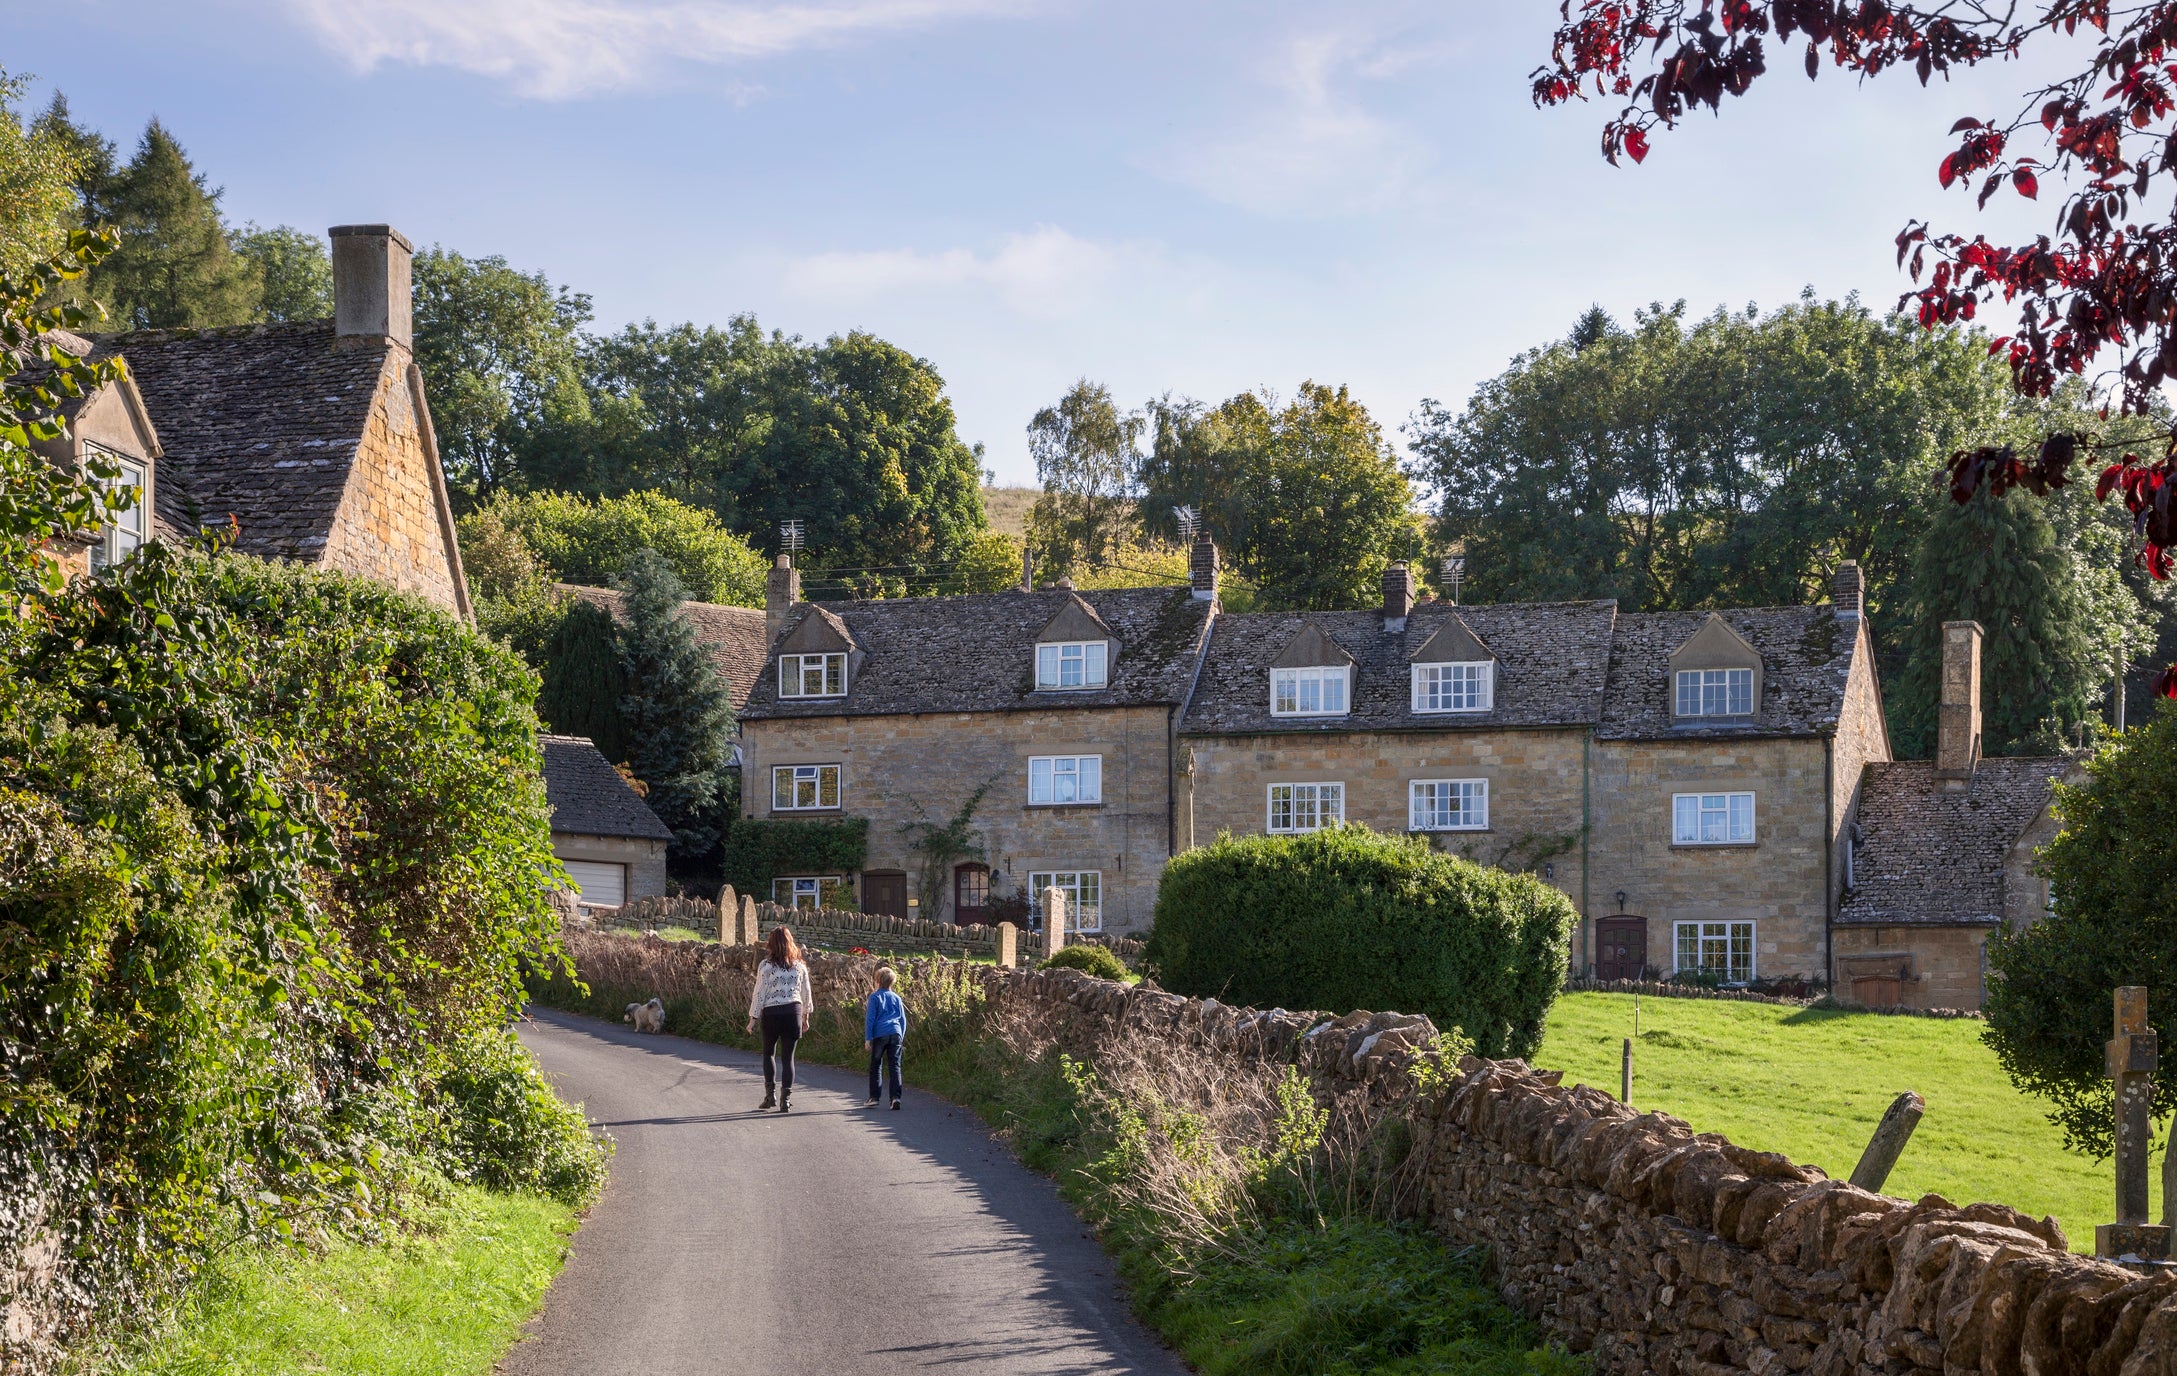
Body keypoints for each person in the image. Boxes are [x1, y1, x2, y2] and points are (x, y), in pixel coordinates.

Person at [746, 926, 812, 1112]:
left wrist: (753, 1018)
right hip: (793, 1012)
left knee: (768, 1054)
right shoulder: (799, 967)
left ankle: (770, 1096)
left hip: (771, 1013)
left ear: (771, 944)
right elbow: (806, 993)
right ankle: (786, 1100)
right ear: (790, 942)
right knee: (788, 1058)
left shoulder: (766, 966)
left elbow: (759, 994)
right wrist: (806, 1017)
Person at [864, 966, 908, 1110]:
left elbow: (870, 1019)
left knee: (876, 1065)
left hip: (880, 1034)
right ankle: (895, 1097)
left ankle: (874, 1097)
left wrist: (868, 1038)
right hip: (895, 1033)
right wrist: (901, 1035)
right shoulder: (897, 998)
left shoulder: (875, 997)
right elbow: (902, 1020)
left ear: (877, 981)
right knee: (895, 1066)